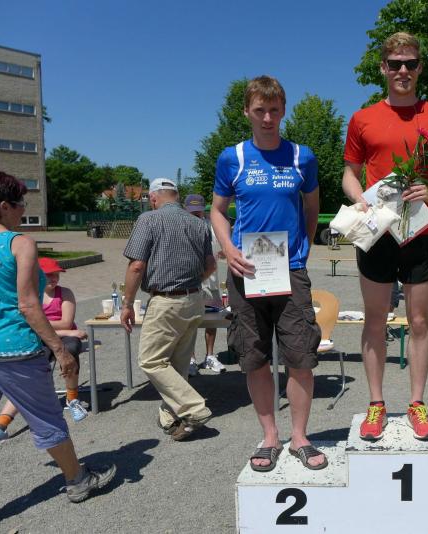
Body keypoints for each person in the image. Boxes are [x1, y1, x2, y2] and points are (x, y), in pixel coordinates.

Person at [341, 32, 428, 441]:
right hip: (378, 232)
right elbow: (349, 174)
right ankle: (376, 404)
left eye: (410, 63)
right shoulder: (362, 118)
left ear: (420, 67)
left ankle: (416, 403)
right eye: (395, 64)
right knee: (375, 319)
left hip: (421, 231)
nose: (403, 70)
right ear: (383, 68)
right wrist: (359, 199)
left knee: (419, 321)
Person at [210, 76, 326, 471]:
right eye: (260, 110)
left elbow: (311, 208)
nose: (267, 118)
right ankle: (270, 436)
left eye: (274, 110)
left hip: (289, 270)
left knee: (300, 356)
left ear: (283, 111)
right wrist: (228, 248)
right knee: (254, 356)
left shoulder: (302, 157)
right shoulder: (232, 158)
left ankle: (300, 437)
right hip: (247, 270)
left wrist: (302, 250)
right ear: (247, 111)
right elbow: (217, 211)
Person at [0, 169, 115, 501]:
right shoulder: (19, 243)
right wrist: (60, 350)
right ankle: (78, 480)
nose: (23, 211)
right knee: (47, 419)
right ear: (4, 206)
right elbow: (28, 304)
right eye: (20, 204)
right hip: (16, 348)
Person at [120, 178, 216, 441]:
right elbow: (211, 265)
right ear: (176, 196)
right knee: (178, 363)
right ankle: (170, 417)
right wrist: (192, 282)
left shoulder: (148, 220)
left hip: (166, 300)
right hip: (194, 299)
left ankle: (194, 409)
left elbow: (136, 266)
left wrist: (127, 304)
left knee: (151, 360)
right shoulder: (198, 223)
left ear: (153, 198)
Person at [0, 257, 89, 438]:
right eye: (49, 275)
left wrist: (41, 323)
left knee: (70, 350)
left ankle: (72, 399)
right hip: (42, 337)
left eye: (56, 274)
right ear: (37, 276)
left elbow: (66, 321)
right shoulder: (29, 295)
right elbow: (29, 321)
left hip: (59, 337)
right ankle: (3, 422)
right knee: (29, 372)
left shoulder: (65, 293)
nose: (53, 278)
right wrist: (65, 331)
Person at [183, 193, 227, 375]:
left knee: (212, 321)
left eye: (198, 211)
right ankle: (191, 359)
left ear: (204, 210)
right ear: (185, 210)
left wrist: (225, 252)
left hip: (211, 284)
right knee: (190, 323)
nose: (196, 214)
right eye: (192, 211)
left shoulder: (213, 229)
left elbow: (224, 250)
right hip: (189, 285)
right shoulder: (181, 228)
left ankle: (210, 356)